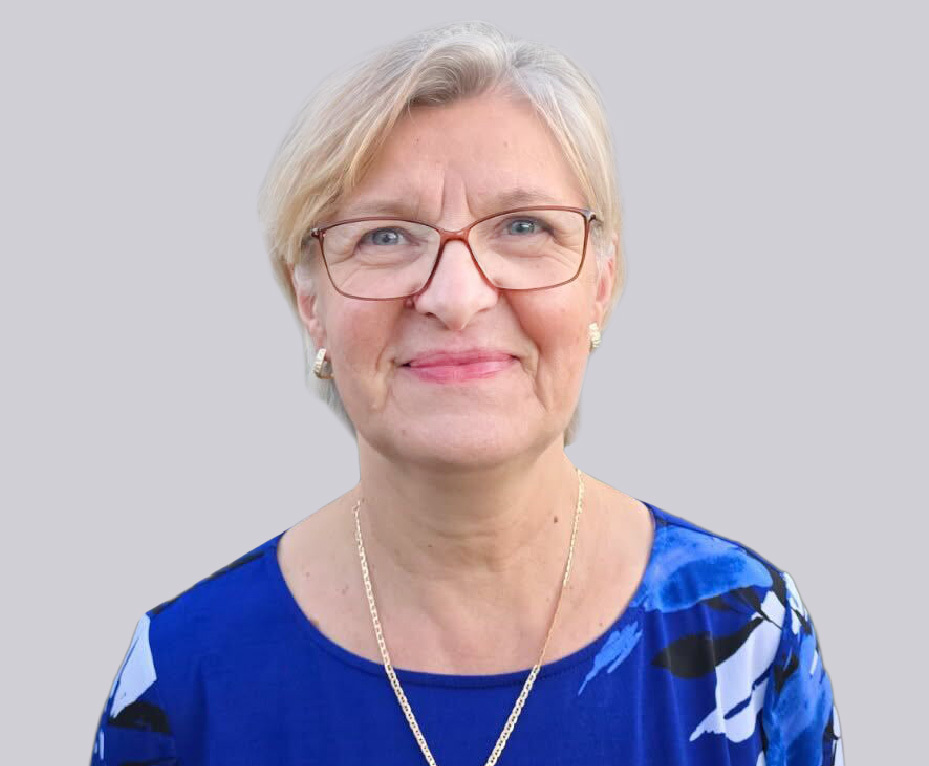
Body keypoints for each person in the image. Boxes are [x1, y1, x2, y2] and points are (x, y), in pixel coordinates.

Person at [89, 20, 843, 766]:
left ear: (601, 284)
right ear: (310, 302)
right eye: (386, 235)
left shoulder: (746, 635)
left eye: (523, 227)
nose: (456, 297)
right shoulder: (183, 679)